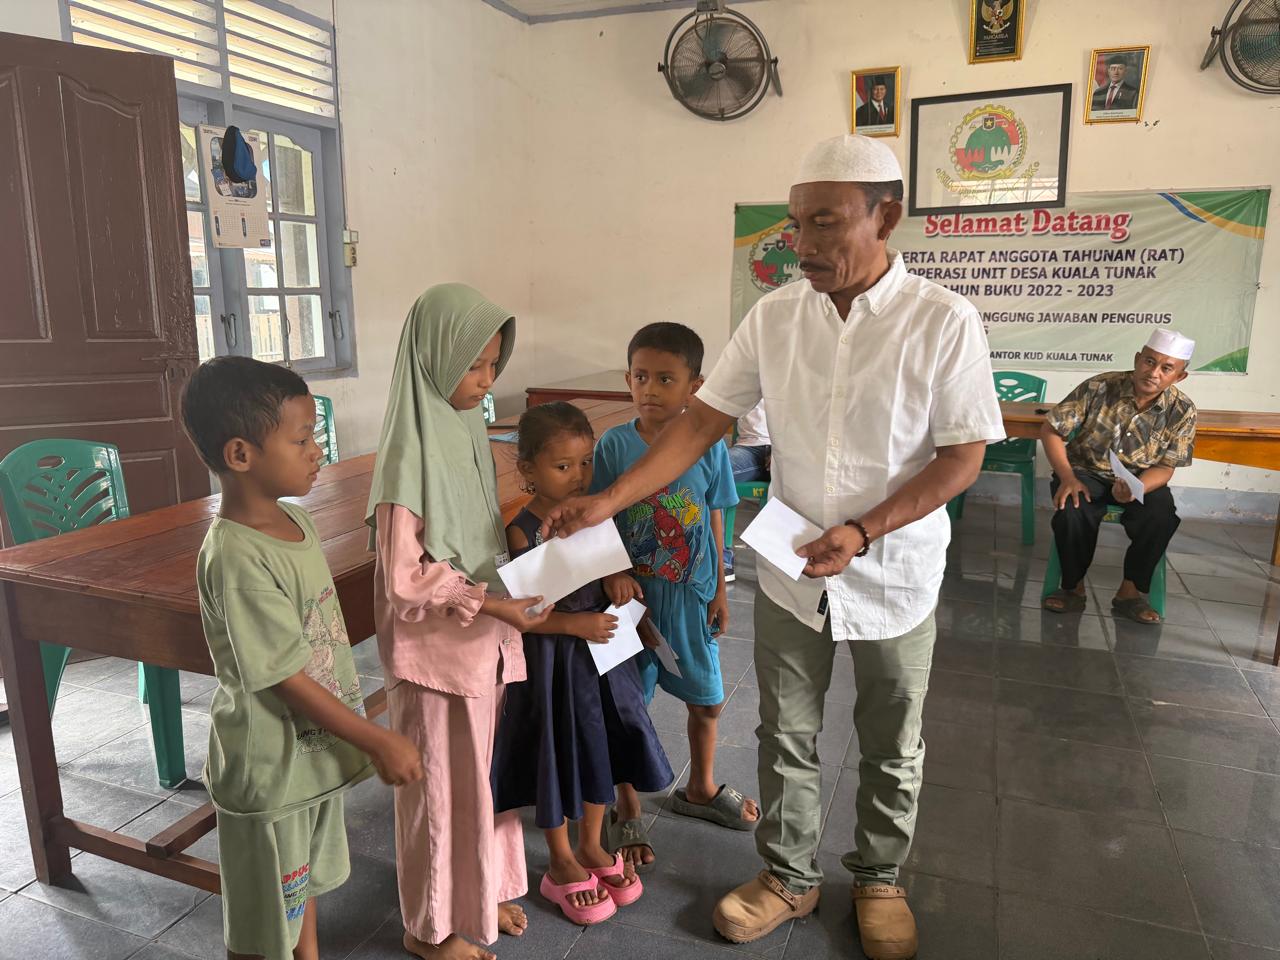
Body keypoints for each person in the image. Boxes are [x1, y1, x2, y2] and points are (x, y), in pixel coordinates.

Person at [542, 135, 1004, 960]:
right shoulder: (776, 316)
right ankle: (789, 877)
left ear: (886, 217)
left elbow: (962, 457)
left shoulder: (943, 320)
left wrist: (864, 530)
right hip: (794, 569)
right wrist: (606, 500)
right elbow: (700, 425)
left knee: (892, 738)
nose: (803, 243)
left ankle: (879, 878)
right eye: (795, 223)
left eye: (826, 222)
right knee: (785, 731)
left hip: (893, 573)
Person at [181, 356, 424, 960]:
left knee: (300, 888)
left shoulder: (293, 521)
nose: (318, 451)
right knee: (264, 925)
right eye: (301, 440)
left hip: (308, 760)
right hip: (269, 768)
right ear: (241, 455)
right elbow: (284, 676)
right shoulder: (237, 557)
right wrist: (376, 739)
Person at [366, 284, 552, 960]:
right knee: (439, 795)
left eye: (495, 364)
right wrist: (493, 603)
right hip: (436, 657)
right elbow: (403, 577)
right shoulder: (407, 456)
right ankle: (430, 928)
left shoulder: (467, 427)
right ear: (434, 359)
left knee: (483, 778)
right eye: (474, 366)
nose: (486, 380)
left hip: (480, 645)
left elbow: (479, 534)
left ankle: (482, 891)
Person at [491, 402, 673, 925]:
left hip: (603, 657)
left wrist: (618, 579)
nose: (578, 476)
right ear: (527, 469)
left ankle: (592, 844)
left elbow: (608, 569)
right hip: (554, 659)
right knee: (556, 752)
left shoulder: (594, 513)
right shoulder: (522, 531)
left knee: (602, 747)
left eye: (585, 462)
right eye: (562, 465)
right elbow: (527, 612)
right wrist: (576, 625)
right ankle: (560, 858)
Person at [589, 322, 756, 873]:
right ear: (627, 379)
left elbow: (716, 512)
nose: (650, 389)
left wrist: (721, 587)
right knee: (625, 705)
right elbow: (600, 517)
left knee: (706, 701)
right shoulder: (615, 445)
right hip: (630, 600)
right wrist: (614, 572)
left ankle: (700, 788)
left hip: (690, 596)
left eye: (666, 378)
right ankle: (626, 804)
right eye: (641, 376)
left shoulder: (709, 444)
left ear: (695, 386)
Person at [1040, 330, 1198, 625]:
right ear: (1137, 359)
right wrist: (1067, 477)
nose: (1154, 372)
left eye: (1166, 368)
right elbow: (1051, 430)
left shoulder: (1182, 410)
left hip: (1142, 478)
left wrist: (1139, 487)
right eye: (1149, 361)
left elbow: (1166, 467)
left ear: (1180, 376)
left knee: (1161, 516)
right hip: (1086, 471)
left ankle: (1130, 592)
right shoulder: (1100, 387)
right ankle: (1072, 587)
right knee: (1073, 509)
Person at [724, 401, 771, 581]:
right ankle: (722, 559)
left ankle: (788, 564)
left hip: (789, 450)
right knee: (715, 471)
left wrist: (782, 450)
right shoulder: (744, 383)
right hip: (749, 448)